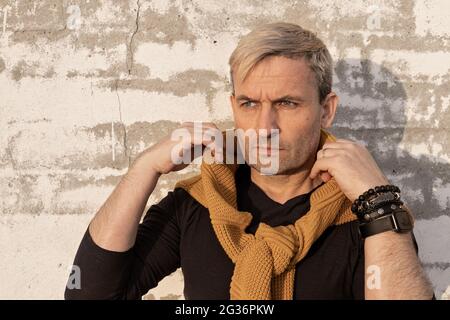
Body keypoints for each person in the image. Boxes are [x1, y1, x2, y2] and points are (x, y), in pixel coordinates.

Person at [65, 22, 434, 300]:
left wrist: (378, 201)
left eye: (287, 103)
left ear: (326, 110)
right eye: (250, 104)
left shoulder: (366, 211)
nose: (264, 126)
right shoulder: (199, 203)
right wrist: (144, 168)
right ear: (233, 107)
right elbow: (89, 295)